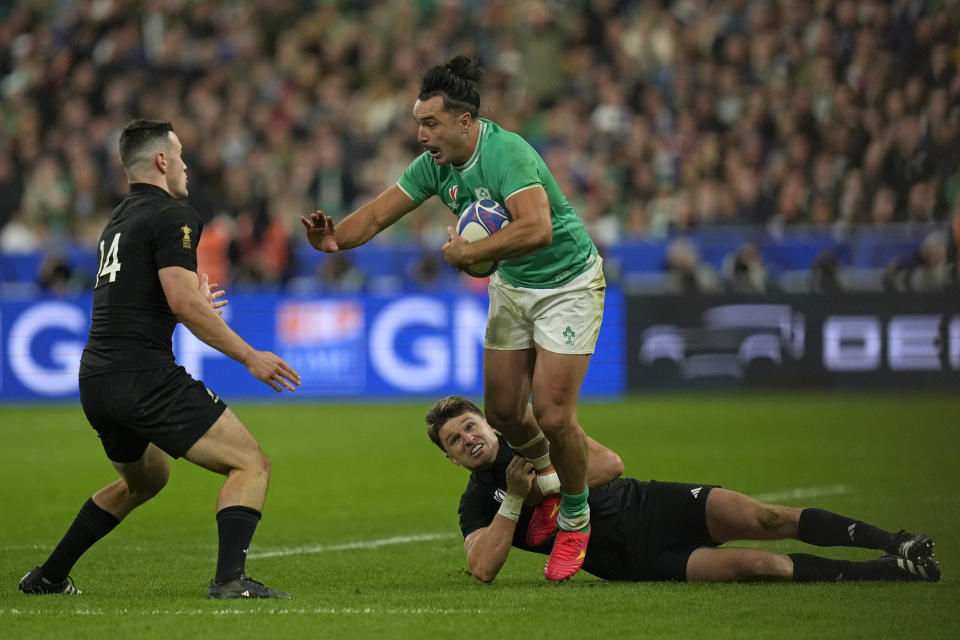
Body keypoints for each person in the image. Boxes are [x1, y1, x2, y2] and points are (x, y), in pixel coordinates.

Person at [302, 56, 604, 581]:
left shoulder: (506, 152)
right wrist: (334, 239)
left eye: (431, 123)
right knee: (506, 411)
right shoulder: (435, 166)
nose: (421, 134)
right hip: (514, 285)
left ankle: (575, 520)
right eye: (418, 122)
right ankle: (551, 485)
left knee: (553, 416)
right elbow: (377, 214)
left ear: (466, 121)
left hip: (567, 283)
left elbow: (538, 229)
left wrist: (469, 254)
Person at [17, 119, 301, 599]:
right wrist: (250, 356)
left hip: (98, 379)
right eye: (181, 154)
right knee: (251, 463)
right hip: (142, 375)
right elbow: (181, 303)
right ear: (162, 162)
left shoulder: (118, 220)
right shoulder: (176, 215)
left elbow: (147, 298)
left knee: (146, 479)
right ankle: (230, 581)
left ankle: (48, 576)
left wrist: (191, 300)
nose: (187, 165)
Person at [425, 395, 940, 584]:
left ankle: (897, 542)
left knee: (766, 519)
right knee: (757, 566)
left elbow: (610, 464)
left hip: (652, 503)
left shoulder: (532, 434)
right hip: (629, 560)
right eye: (455, 440)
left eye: (470, 427)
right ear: (451, 458)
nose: (468, 439)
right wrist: (513, 501)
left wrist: (543, 486)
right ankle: (891, 571)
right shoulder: (475, 502)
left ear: (489, 425)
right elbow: (483, 568)